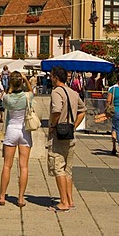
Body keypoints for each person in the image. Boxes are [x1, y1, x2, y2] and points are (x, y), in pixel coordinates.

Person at [47, 66, 86, 212]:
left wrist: (52, 124)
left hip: (59, 135)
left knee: (58, 167)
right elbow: (83, 110)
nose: (50, 78)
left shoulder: (57, 92)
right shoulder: (73, 92)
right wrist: (74, 125)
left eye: (51, 76)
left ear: (56, 77)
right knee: (68, 169)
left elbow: (56, 110)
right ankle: (70, 200)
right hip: (70, 134)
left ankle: (63, 202)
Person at [0, 71, 33, 206]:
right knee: (24, 167)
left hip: (11, 130)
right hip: (24, 131)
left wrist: (10, 86)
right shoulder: (27, 97)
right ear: (21, 82)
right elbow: (31, 90)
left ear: (10, 83)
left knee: (7, 165)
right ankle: (21, 198)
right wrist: (26, 79)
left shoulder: (7, 98)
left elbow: (5, 96)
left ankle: (2, 196)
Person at [106, 72, 119, 156]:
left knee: (115, 129)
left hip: (116, 111)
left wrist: (107, 110)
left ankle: (114, 147)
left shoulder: (112, 89)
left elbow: (108, 101)